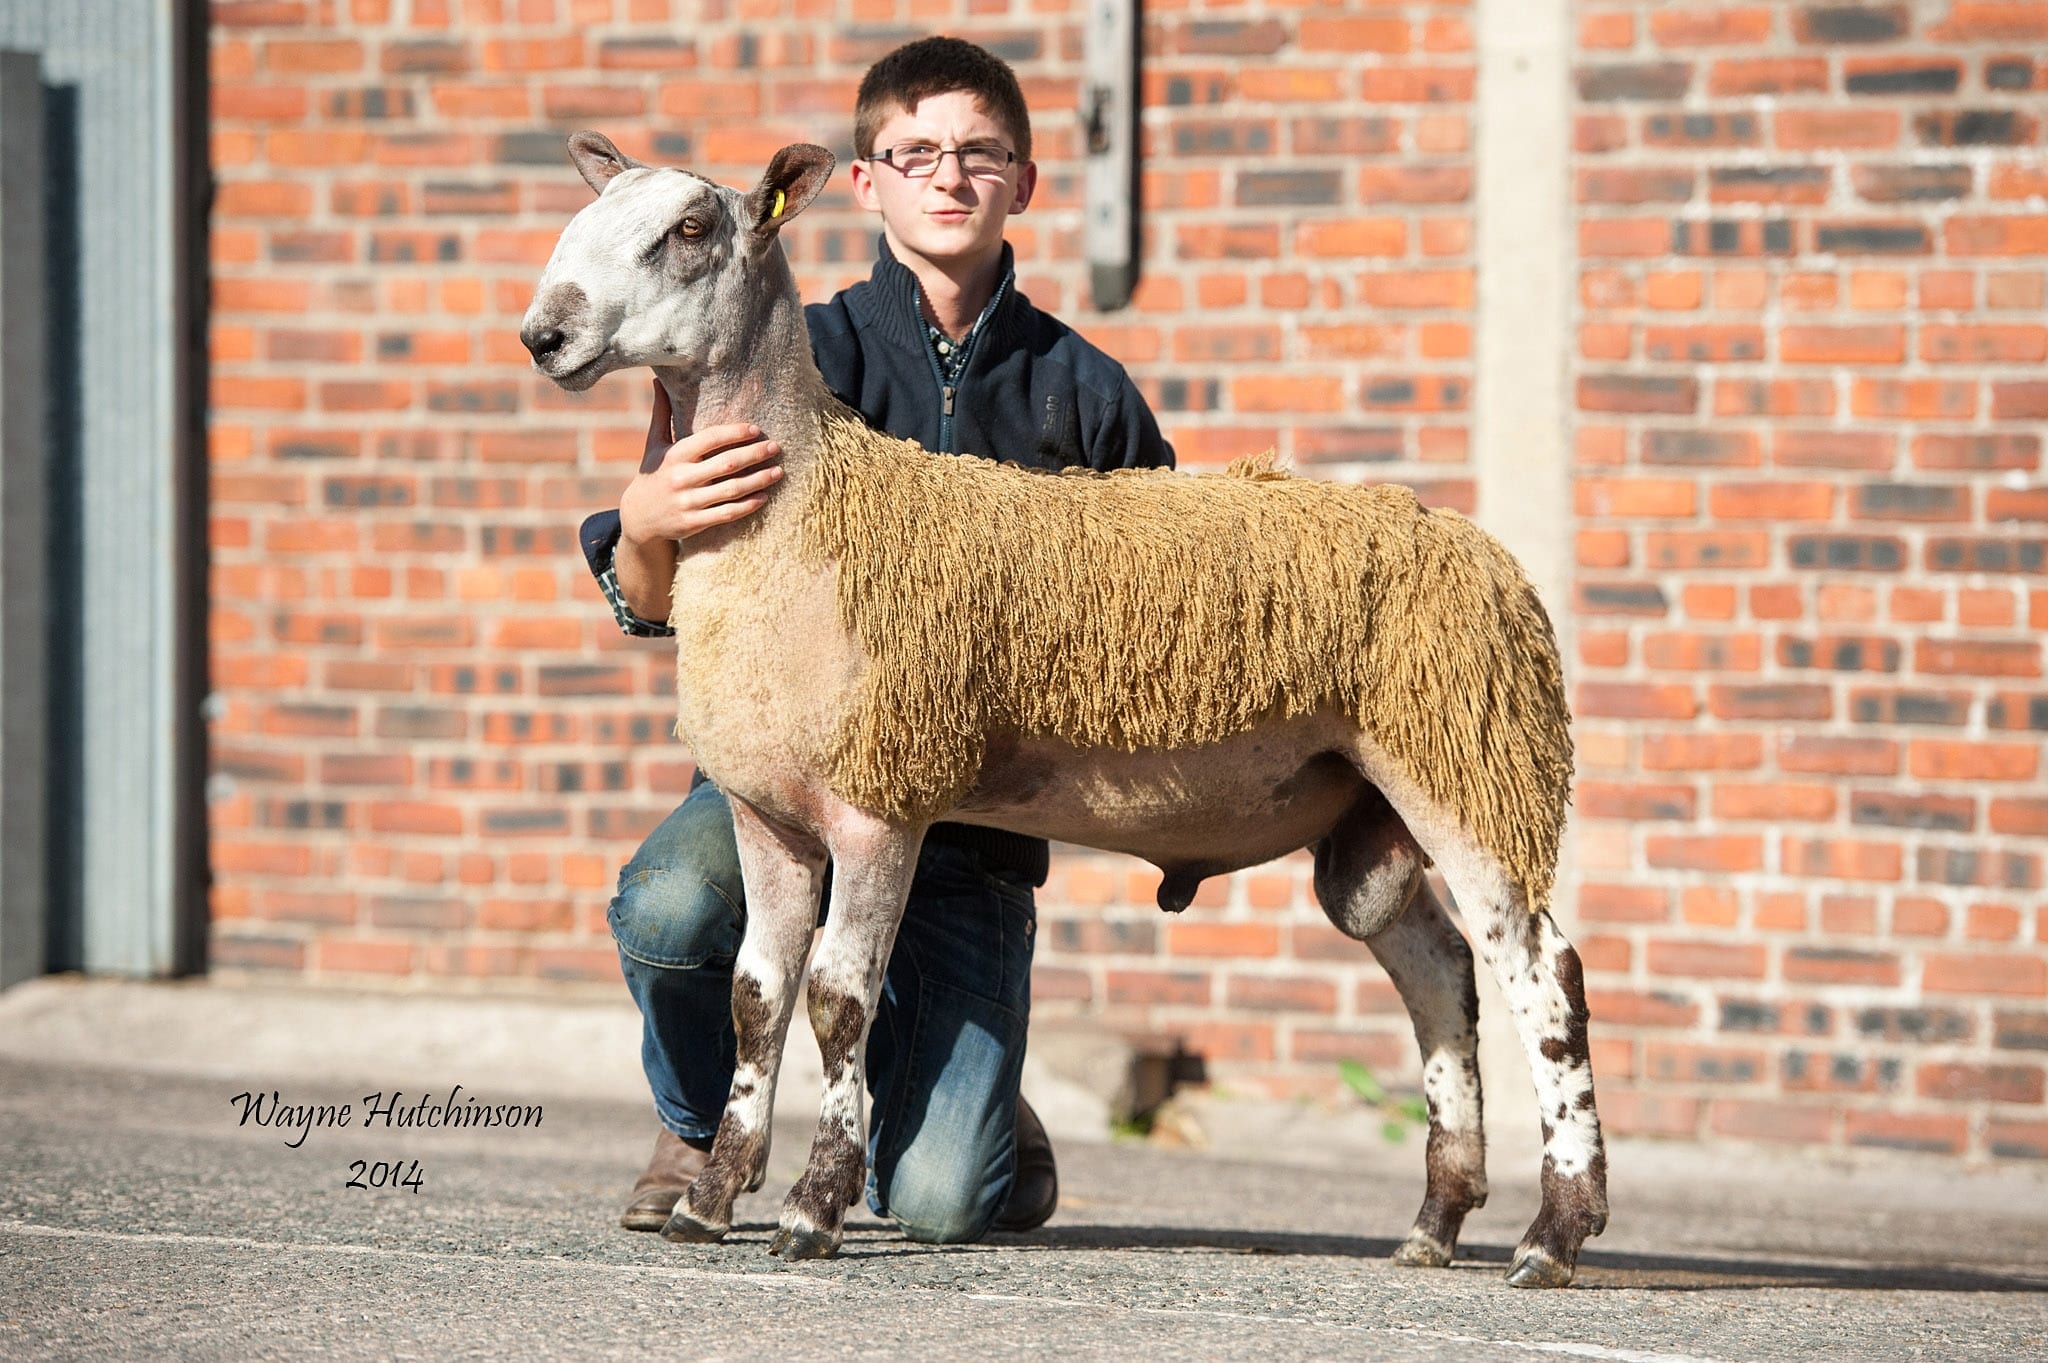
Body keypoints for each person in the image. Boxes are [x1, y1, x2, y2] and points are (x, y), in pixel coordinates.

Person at [577, 35, 1175, 1245]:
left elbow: (1152, 592)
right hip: (794, 776)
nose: (947, 177)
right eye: (914, 153)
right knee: (670, 904)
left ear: (1025, 178)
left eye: (979, 154)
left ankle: (969, 1089)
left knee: (951, 1201)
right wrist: (642, 519)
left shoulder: (1084, 388)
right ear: (861, 181)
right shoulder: (805, 347)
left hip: (971, 831)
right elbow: (648, 592)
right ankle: (701, 1122)